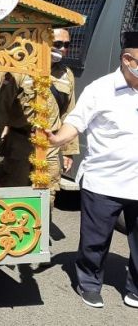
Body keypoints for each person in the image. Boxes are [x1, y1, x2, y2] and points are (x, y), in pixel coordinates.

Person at [46, 31, 138, 309]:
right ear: (127, 59)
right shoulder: (100, 89)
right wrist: (57, 140)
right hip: (104, 181)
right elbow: (76, 121)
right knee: (95, 242)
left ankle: (135, 287)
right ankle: (89, 283)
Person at [0, 28, 80, 210]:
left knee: (47, 196)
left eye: (66, 45)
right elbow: (0, 112)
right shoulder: (19, 71)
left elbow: (70, 114)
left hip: (50, 145)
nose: (63, 49)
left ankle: (41, 236)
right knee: (15, 197)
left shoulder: (66, 74)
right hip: (20, 144)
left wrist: (68, 151)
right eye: (57, 44)